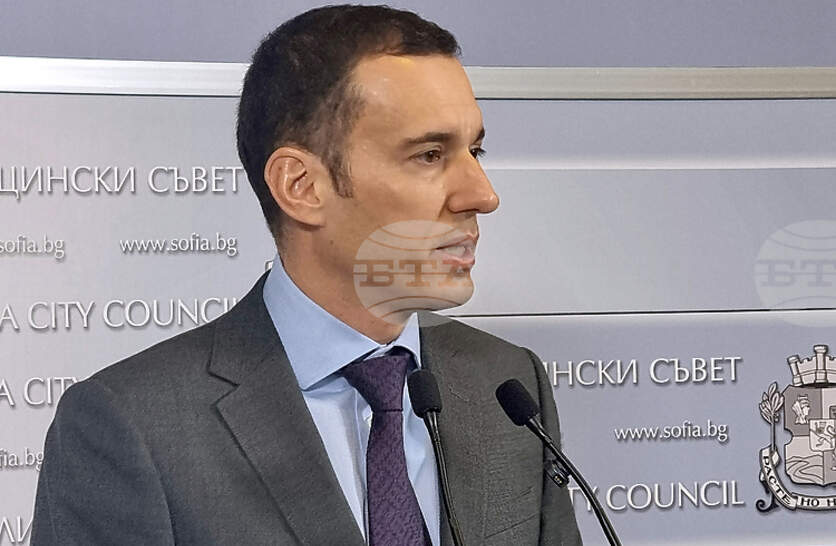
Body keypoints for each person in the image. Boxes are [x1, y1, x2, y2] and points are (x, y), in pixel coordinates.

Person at [31, 5, 582, 545]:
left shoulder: (507, 384)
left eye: (476, 150)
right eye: (430, 155)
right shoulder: (131, 426)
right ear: (301, 187)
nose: (482, 194)